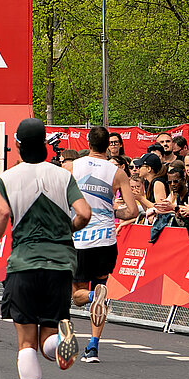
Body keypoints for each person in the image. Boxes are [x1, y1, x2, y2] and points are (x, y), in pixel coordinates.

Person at [0, 118, 93, 379]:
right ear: (45, 143)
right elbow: (84, 213)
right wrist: (63, 231)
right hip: (60, 265)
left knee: (26, 343)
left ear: (16, 145)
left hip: (24, 265)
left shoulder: (7, 178)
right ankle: (61, 342)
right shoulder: (62, 175)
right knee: (47, 338)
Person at [71, 125, 142, 362]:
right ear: (108, 147)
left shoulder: (71, 167)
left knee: (78, 295)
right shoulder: (118, 173)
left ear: (88, 143)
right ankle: (93, 345)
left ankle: (93, 296)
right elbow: (132, 210)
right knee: (100, 287)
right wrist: (113, 211)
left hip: (80, 239)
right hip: (106, 239)